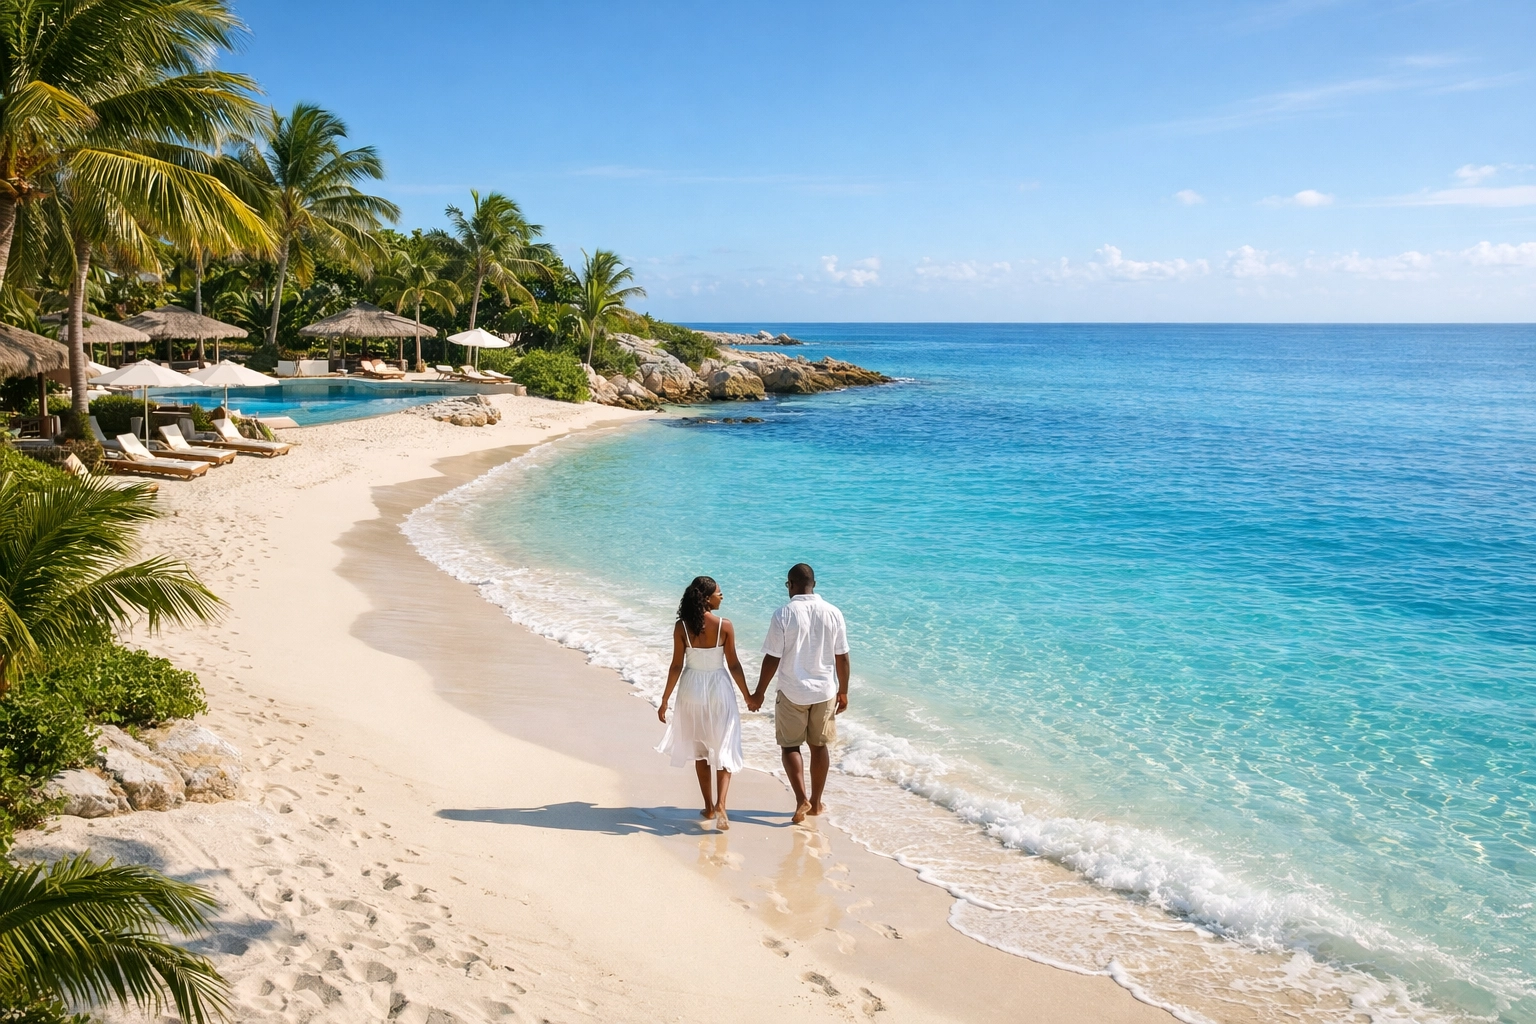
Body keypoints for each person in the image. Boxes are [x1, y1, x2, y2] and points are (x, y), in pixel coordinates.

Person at [750, 563, 850, 825]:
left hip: (792, 691)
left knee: (790, 746)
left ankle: (801, 799)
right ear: (813, 584)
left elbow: (772, 657)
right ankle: (816, 803)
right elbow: (842, 656)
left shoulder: (783, 614)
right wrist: (843, 691)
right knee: (819, 746)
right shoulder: (833, 612)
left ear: (790, 585)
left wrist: (758, 693)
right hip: (824, 692)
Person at [657, 576, 753, 829]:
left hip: (691, 689)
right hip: (718, 689)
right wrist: (748, 695)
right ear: (707, 598)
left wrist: (665, 699)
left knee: (700, 751)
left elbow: (676, 665)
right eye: (719, 593)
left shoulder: (682, 627)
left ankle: (709, 807)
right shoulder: (724, 626)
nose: (722, 596)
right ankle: (721, 804)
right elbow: (733, 664)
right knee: (724, 746)